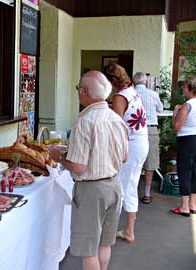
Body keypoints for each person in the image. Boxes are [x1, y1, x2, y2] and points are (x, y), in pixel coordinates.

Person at [50, 71, 128, 270]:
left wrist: (58, 156)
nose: (78, 92)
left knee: (88, 250)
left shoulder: (84, 121)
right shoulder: (116, 118)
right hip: (114, 185)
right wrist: (71, 152)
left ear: (84, 91)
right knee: (104, 242)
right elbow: (124, 157)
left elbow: (78, 166)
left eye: (78, 88)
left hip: (92, 191)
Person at [103, 63, 149, 244]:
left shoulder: (120, 97)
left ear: (112, 80)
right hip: (141, 143)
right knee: (130, 185)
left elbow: (117, 127)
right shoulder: (132, 92)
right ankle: (128, 230)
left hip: (131, 145)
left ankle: (114, 230)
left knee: (121, 187)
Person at [133, 72, 163, 204]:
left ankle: (131, 191)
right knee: (150, 163)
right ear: (146, 82)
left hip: (134, 130)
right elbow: (160, 109)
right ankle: (146, 193)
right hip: (150, 129)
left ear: (134, 82)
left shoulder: (130, 94)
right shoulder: (153, 94)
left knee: (134, 162)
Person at [171, 76, 196, 217]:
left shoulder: (187, 105)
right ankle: (193, 203)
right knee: (195, 171)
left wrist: (175, 113)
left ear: (190, 88)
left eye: (184, 86)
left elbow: (177, 126)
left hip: (186, 140)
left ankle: (184, 206)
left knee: (185, 171)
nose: (182, 88)